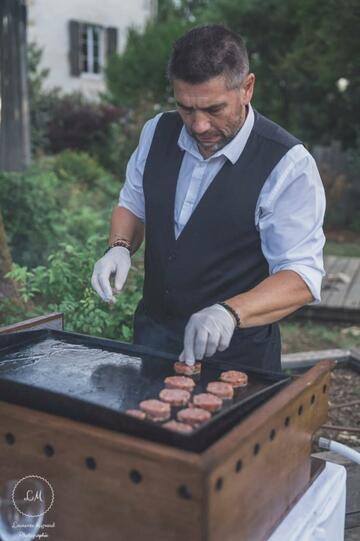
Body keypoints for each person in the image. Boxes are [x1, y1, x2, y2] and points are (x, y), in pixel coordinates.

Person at [91, 24, 325, 372]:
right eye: (186, 108)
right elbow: (133, 203)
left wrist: (230, 312)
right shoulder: (157, 131)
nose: (198, 125)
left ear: (247, 88)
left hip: (239, 360)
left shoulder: (288, 165)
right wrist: (120, 246)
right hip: (153, 342)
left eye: (214, 109)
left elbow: (301, 275)